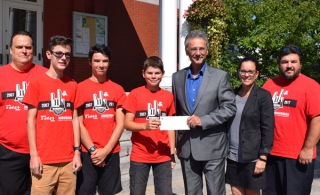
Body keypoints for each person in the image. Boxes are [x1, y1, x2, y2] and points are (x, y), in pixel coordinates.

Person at [172, 29, 236, 195]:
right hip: (187, 148)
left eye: (201, 49)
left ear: (207, 51)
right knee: (191, 192)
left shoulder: (220, 76)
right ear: (187, 51)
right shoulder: (177, 77)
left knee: (215, 192)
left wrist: (203, 120)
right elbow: (176, 111)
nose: (198, 53)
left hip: (212, 146)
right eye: (193, 49)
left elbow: (229, 107)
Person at [22, 35, 82, 195]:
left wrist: (77, 152)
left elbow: (75, 120)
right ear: (48, 54)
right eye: (59, 54)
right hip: (44, 161)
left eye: (67, 54)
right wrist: (34, 155)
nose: (64, 58)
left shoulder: (73, 85)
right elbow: (30, 121)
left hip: (68, 161)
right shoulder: (37, 83)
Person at [262, 45, 320, 195]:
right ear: (279, 64)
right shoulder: (269, 85)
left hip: (298, 157)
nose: (289, 66)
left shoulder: (312, 86)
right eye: (285, 62)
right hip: (271, 155)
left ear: (300, 63)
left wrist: (308, 149)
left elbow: (317, 119)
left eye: (293, 62)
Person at [0, 31, 47, 195]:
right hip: (9, 152)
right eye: (19, 47)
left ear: (33, 50)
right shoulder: (1, 75)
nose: (24, 50)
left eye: (28, 47)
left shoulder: (46, 75)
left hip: (43, 151)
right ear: (11, 50)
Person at [75, 44, 126, 195]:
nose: (101, 65)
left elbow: (120, 123)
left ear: (109, 62)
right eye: (97, 61)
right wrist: (93, 150)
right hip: (87, 152)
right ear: (90, 62)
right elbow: (78, 123)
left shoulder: (118, 89)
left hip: (111, 152)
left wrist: (106, 151)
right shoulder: (80, 88)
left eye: (105, 61)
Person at [123, 56, 176, 195]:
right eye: (150, 73)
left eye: (157, 73)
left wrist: (172, 152)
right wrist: (144, 126)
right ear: (143, 74)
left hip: (163, 155)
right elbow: (127, 124)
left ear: (162, 74)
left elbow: (170, 126)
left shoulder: (168, 96)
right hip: (140, 154)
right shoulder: (135, 94)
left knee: (165, 192)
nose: (153, 76)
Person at [225, 56, 274, 195]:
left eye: (251, 71)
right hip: (233, 156)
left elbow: (268, 128)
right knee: (236, 192)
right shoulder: (231, 95)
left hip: (252, 157)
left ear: (257, 73)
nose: (246, 75)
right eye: (243, 71)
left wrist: (263, 158)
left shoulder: (263, 96)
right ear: (239, 72)